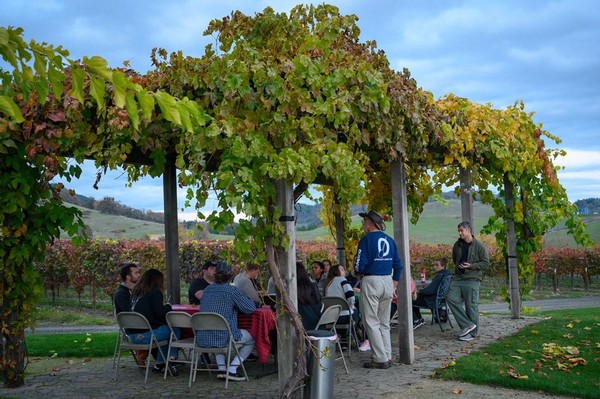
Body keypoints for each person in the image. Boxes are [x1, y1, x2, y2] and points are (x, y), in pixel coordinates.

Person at [354, 210, 402, 369]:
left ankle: (380, 358)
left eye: (365, 221)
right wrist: (394, 282)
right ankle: (387, 354)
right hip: (388, 280)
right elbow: (398, 264)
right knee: (384, 322)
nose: (363, 224)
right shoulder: (390, 240)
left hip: (371, 280)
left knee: (371, 321)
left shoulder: (366, 240)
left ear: (369, 222)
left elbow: (360, 262)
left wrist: (359, 274)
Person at [196, 261, 256, 381]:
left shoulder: (207, 290)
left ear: (216, 275)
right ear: (230, 276)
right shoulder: (232, 291)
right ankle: (232, 369)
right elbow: (250, 308)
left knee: (218, 331)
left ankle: (222, 369)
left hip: (202, 337)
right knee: (252, 339)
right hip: (225, 338)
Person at [129, 268, 181, 374]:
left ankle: (160, 364)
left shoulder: (135, 292)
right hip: (147, 335)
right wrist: (168, 306)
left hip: (133, 335)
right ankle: (172, 358)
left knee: (165, 332)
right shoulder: (155, 292)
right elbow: (160, 313)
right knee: (174, 329)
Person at [447, 221, 490, 342]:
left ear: (468, 230)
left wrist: (471, 265)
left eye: (462, 230)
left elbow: (486, 264)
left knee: (471, 306)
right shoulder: (457, 245)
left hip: (472, 279)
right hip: (458, 278)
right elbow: (455, 259)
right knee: (451, 299)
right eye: (459, 231)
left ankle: (473, 333)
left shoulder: (479, 246)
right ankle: (467, 325)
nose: (460, 233)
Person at [412, 258, 452, 329]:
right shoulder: (447, 274)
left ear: (443, 266)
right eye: (434, 265)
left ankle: (416, 320)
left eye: (437, 265)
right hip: (439, 299)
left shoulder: (440, 275)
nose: (434, 266)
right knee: (415, 297)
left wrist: (420, 291)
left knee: (409, 299)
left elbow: (430, 290)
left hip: (431, 300)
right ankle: (419, 319)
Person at [297, 261, 322, 331]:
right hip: (317, 322)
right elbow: (319, 302)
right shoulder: (313, 286)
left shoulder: (293, 289)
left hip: (301, 325)